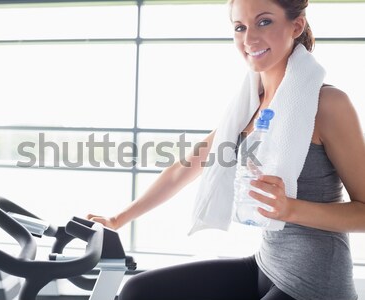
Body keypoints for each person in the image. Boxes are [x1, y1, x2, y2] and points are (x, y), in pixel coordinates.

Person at [88, 0, 365, 299]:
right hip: (266, 266)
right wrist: (117, 220)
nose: (249, 39)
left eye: (264, 22)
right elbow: (183, 169)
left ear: (296, 25)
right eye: (240, 27)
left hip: (314, 285)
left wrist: (291, 209)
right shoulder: (248, 106)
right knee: (138, 291)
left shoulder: (328, 104)